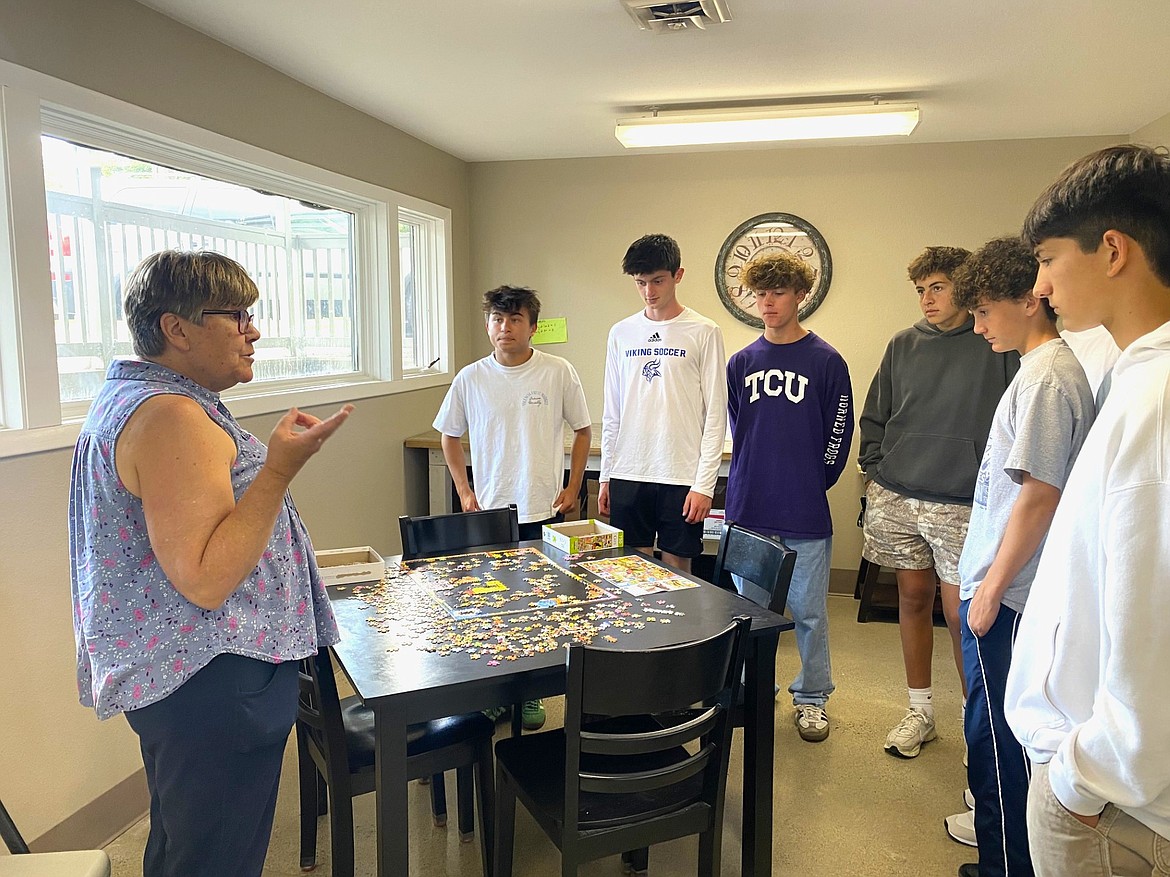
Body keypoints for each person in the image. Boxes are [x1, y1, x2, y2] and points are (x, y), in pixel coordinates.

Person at [68, 250, 353, 877]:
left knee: (185, 846)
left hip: (181, 676)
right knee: (218, 857)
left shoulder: (136, 398)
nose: (254, 331)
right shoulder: (171, 417)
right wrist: (278, 469)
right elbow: (205, 576)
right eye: (238, 316)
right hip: (213, 678)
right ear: (177, 328)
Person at [1005, 144, 1170, 877]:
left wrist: (1078, 777)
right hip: (1102, 779)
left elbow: (1151, 617)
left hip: (1110, 804)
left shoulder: (1157, 400)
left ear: (1112, 250)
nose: (1038, 286)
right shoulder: (1135, 373)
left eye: (1046, 259)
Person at [943, 237, 1095, 877]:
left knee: (997, 742)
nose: (977, 326)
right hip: (1005, 589)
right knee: (995, 738)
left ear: (1029, 300)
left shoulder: (1047, 378)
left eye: (983, 311)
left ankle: (1004, 867)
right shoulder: (1037, 371)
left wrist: (988, 588)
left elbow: (1040, 494)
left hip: (1010, 597)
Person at [859, 246, 1019, 758]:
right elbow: (876, 413)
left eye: (938, 288)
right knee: (912, 600)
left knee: (960, 615)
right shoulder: (903, 343)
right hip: (901, 494)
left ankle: (980, 728)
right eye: (921, 290)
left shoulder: (995, 344)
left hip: (964, 503)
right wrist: (878, 466)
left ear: (964, 288)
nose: (927, 299)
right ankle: (920, 710)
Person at [434, 284, 591, 730]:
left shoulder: (557, 371)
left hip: (543, 507)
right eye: (498, 320)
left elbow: (582, 430)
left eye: (516, 319)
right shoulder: (470, 377)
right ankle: (497, 692)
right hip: (489, 510)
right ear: (488, 325)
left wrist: (574, 484)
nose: (506, 328)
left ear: (532, 327)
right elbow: (449, 435)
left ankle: (532, 696)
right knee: (492, 605)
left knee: (542, 605)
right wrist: (464, 491)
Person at [725, 253, 854, 742]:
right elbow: (742, 428)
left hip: (803, 509)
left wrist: (807, 479)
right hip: (750, 507)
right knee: (748, 610)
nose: (768, 302)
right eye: (760, 294)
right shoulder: (742, 362)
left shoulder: (826, 361)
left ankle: (813, 696)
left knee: (810, 611)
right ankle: (750, 686)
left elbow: (838, 432)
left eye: (778, 293)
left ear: (800, 296)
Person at [599, 233, 727, 574]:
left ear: (678, 275)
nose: (649, 292)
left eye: (657, 281)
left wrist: (704, 485)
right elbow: (612, 410)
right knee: (630, 571)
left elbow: (716, 414)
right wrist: (605, 476)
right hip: (629, 469)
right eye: (640, 283)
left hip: (680, 472)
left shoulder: (704, 331)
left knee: (678, 570)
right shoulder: (621, 333)